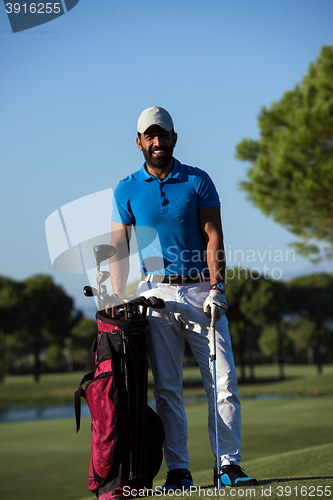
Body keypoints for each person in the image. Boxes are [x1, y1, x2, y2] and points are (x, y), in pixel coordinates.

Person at [109, 107, 258, 491]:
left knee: (223, 382)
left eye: (165, 135)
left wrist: (217, 288)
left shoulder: (197, 180)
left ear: (175, 137)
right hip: (154, 295)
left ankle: (228, 466)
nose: (158, 142)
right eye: (151, 136)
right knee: (167, 390)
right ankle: (179, 471)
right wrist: (115, 299)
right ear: (139, 141)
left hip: (200, 291)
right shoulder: (126, 189)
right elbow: (118, 249)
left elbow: (214, 236)